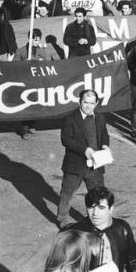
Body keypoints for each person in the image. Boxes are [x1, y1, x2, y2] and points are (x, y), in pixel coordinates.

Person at [57, 90, 110, 229]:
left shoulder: (99, 118)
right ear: (79, 102)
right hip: (75, 165)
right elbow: (66, 139)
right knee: (67, 193)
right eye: (85, 102)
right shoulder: (69, 119)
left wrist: (105, 146)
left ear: (96, 104)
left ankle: (95, 219)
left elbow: (104, 134)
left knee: (97, 195)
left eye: (92, 103)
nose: (88, 106)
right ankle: (62, 218)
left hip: (95, 165)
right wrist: (84, 150)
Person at [67, 187, 136, 272]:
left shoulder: (122, 228)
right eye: (91, 207)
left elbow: (134, 263)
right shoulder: (76, 232)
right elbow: (63, 269)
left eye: (101, 208)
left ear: (111, 209)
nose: (95, 213)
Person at [14, 28, 61, 139]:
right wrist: (24, 65)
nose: (36, 42)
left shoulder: (42, 52)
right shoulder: (21, 51)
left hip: (37, 82)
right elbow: (14, 66)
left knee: (35, 105)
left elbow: (47, 66)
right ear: (29, 39)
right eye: (34, 39)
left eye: (37, 39)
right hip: (25, 82)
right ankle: (24, 129)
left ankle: (32, 124)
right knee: (26, 106)